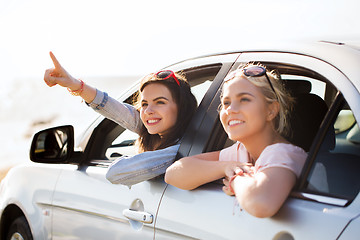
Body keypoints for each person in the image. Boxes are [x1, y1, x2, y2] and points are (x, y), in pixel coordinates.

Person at [165, 63, 307, 218]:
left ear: (271, 110)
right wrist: (226, 167)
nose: (230, 109)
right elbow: (172, 174)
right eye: (226, 102)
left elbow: (260, 203)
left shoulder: (284, 153)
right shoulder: (240, 151)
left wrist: (235, 179)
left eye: (244, 99)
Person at [44, 52, 197, 186]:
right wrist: (74, 84)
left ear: (182, 107)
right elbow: (112, 107)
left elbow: (116, 172)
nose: (148, 111)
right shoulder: (154, 128)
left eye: (160, 102)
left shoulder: (180, 152)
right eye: (144, 104)